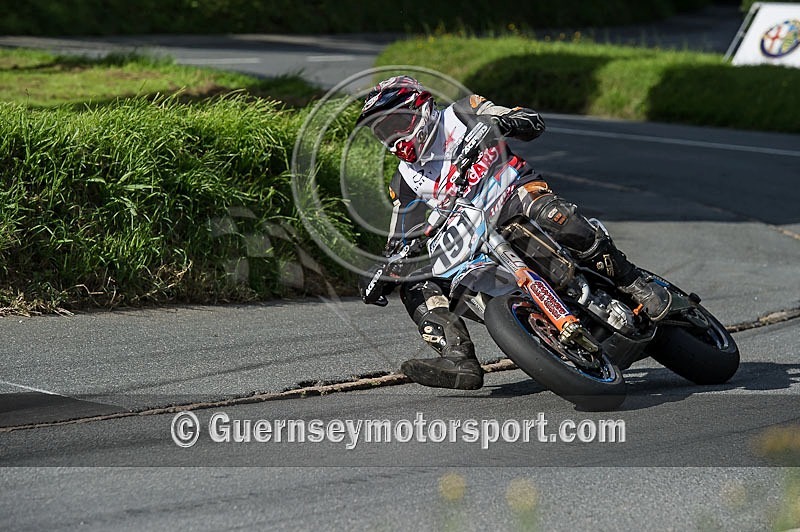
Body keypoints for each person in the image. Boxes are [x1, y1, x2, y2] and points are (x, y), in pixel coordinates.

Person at [356, 76, 671, 391]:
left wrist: (510, 120)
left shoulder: (462, 113)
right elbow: (398, 242)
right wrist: (380, 272)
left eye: (395, 123)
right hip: (471, 238)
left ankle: (633, 283)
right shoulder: (404, 181)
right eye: (382, 132)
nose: (392, 137)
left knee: (555, 216)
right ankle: (457, 355)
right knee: (414, 281)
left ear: (420, 108)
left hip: (514, 194)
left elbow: (525, 118)